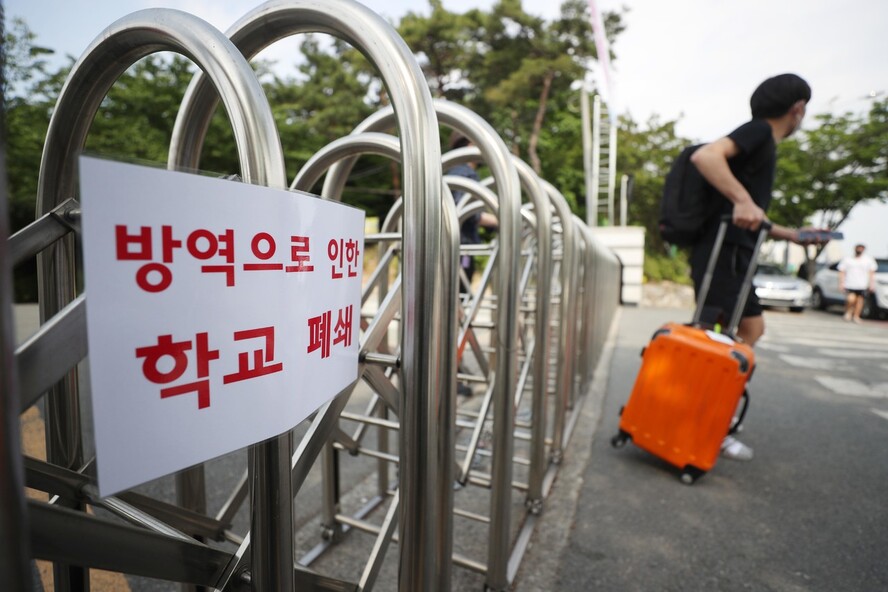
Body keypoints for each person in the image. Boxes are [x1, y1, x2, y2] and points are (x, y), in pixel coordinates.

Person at [689, 73, 827, 461]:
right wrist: (743, 199)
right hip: (724, 258)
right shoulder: (759, 133)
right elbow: (707, 156)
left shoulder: (761, 141)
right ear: (797, 109)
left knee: (746, 331)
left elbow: (751, 215)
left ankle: (712, 416)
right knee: (720, 341)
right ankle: (706, 423)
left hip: (731, 257)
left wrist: (792, 235)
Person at [446, 132, 498, 397]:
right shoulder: (466, 173)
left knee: (446, 315)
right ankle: (450, 373)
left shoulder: (447, 169)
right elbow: (468, 214)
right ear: (470, 145)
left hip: (445, 251)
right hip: (461, 250)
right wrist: (502, 218)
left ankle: (446, 370)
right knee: (457, 316)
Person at [838, 244, 877, 323]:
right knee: (850, 299)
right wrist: (841, 283)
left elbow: (872, 272)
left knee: (859, 301)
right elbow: (841, 271)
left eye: (861, 248)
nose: (859, 250)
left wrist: (871, 284)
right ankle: (848, 312)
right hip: (850, 283)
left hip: (862, 284)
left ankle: (856, 316)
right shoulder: (848, 259)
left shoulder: (868, 260)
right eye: (858, 248)